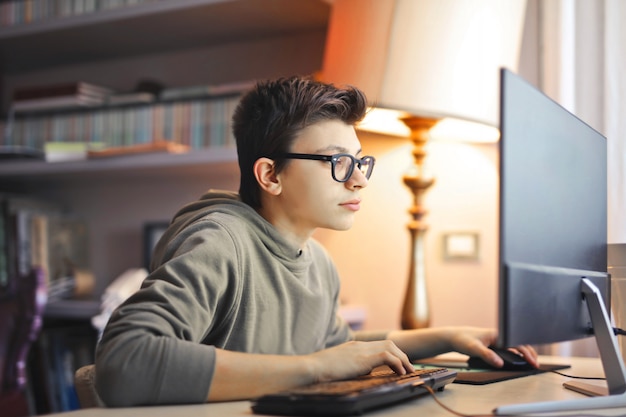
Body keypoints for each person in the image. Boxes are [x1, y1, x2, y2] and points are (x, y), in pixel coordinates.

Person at [94, 76, 538, 406]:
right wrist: (317, 368)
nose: (360, 179)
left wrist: (448, 337)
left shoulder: (318, 260)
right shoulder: (220, 242)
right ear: (270, 175)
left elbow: (344, 350)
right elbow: (125, 361)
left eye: (360, 161)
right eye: (338, 162)